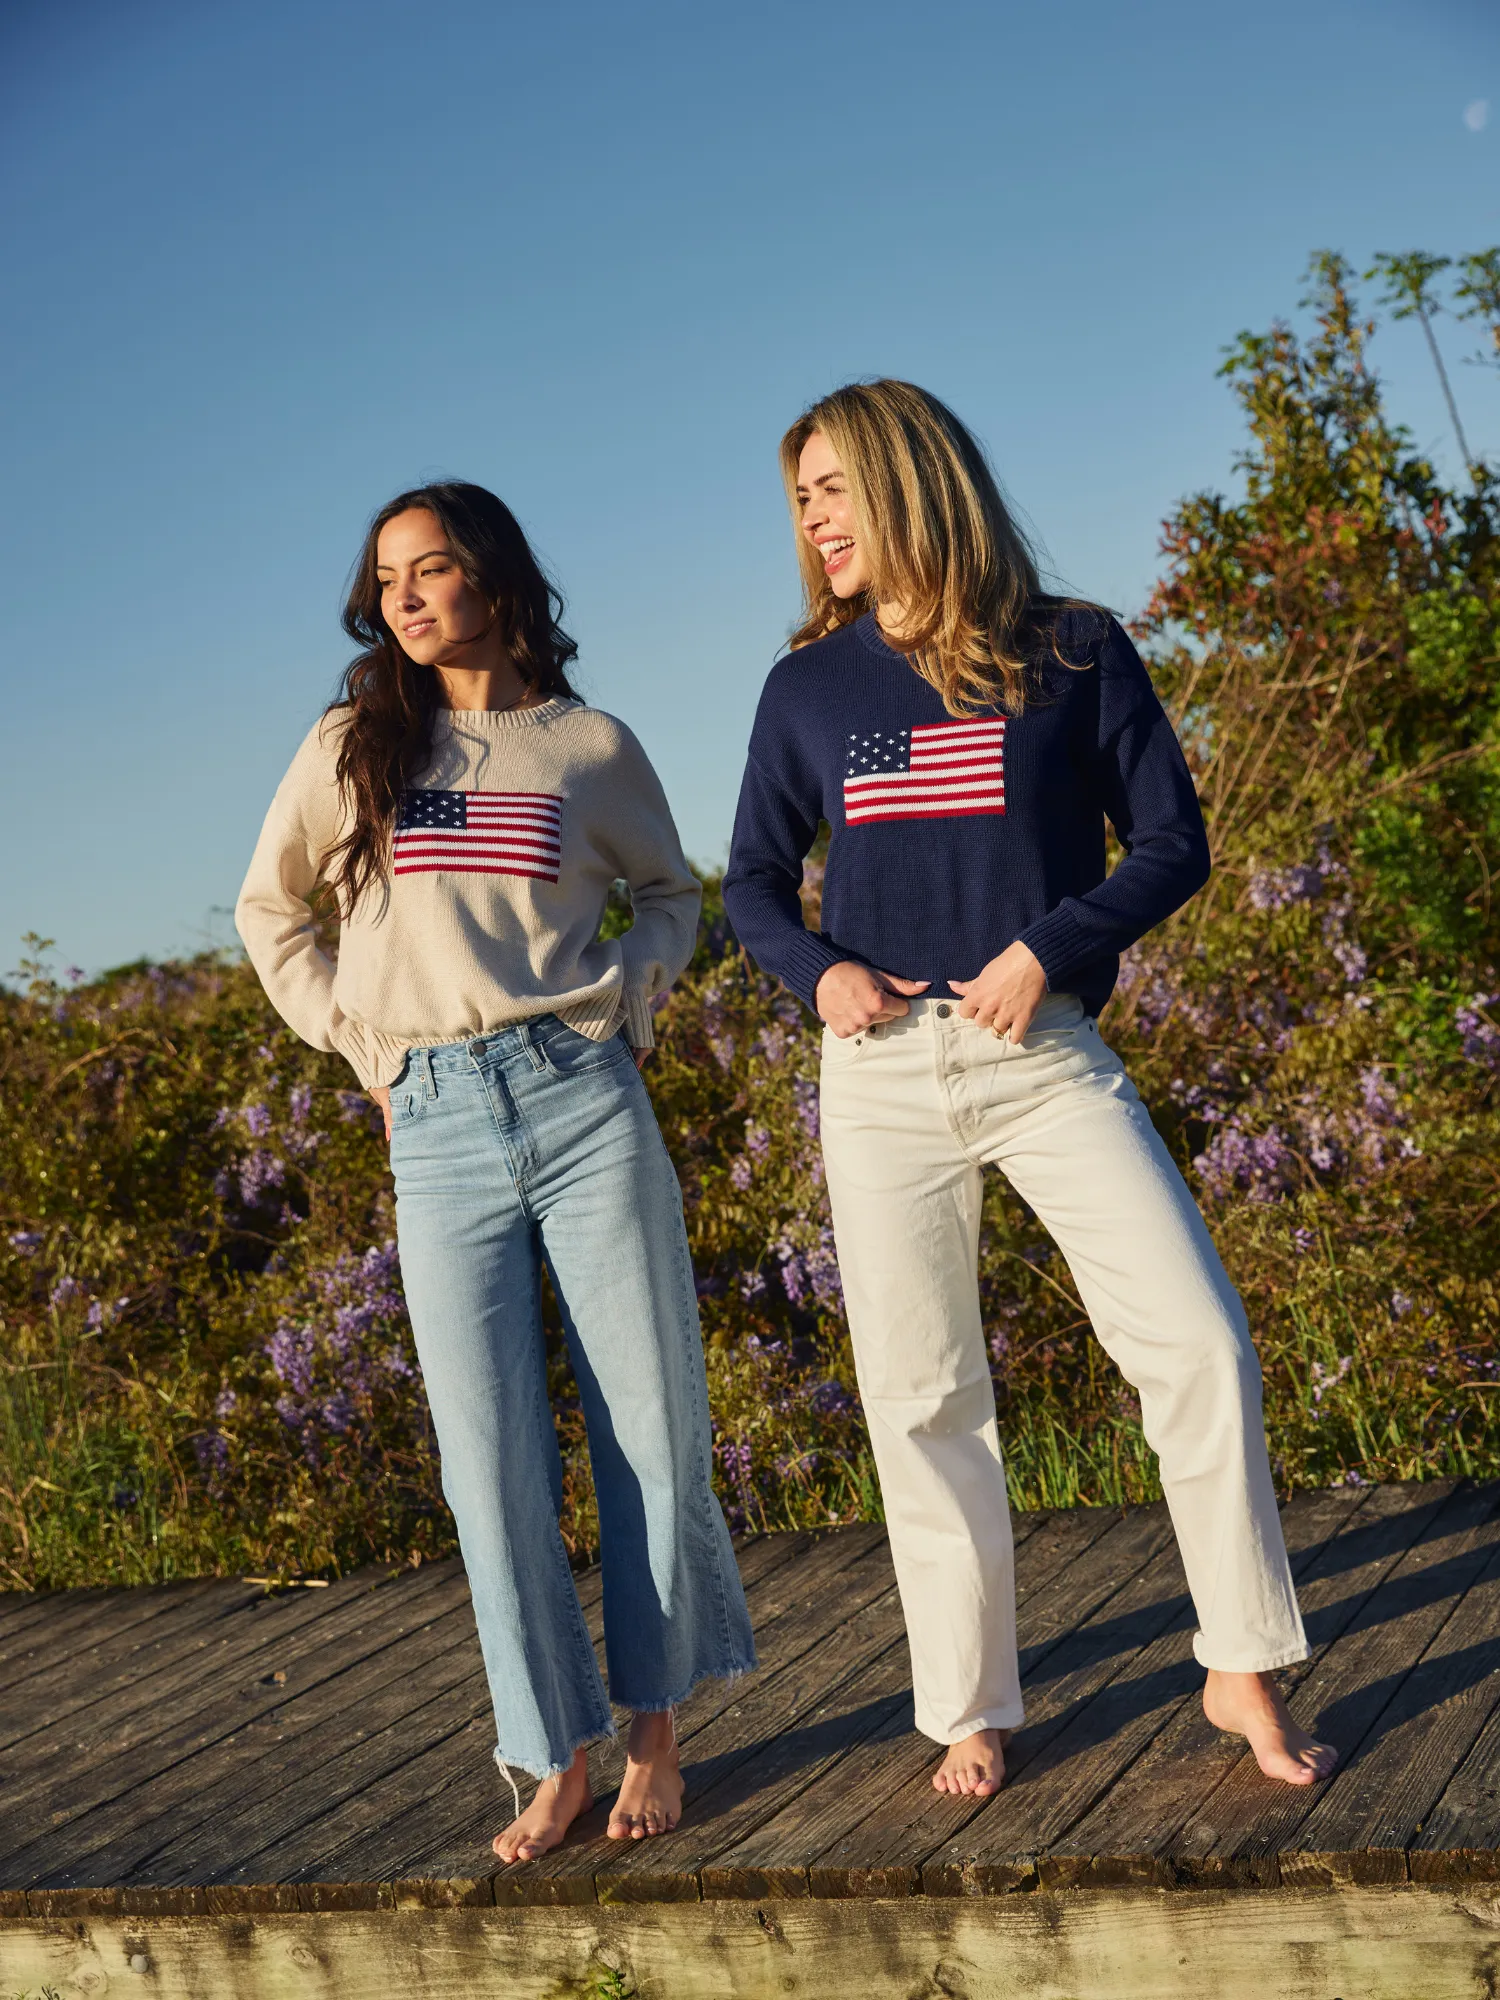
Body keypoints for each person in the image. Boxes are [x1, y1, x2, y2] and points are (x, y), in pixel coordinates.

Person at [722, 382, 1336, 1797]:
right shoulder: (806, 688)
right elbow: (752, 878)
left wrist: (1047, 948)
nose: (814, 520)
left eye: (834, 487)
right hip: (877, 1074)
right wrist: (814, 974)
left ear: (913, 480)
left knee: (1196, 1342)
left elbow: (1169, 840)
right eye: (800, 497)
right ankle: (970, 1704)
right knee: (924, 1394)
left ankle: (1238, 1659)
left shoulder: (1072, 649)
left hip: (1041, 1053)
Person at [237, 481, 754, 1863]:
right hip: (441, 1120)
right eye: (388, 577)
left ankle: (654, 1726)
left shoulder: (585, 744)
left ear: (497, 580)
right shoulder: (356, 741)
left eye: (435, 568)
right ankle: (552, 1753)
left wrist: (630, 997)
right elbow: (269, 909)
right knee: (487, 1463)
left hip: (585, 1103)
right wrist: (362, 1045)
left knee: (649, 1422)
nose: (406, 596)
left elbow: (673, 892)